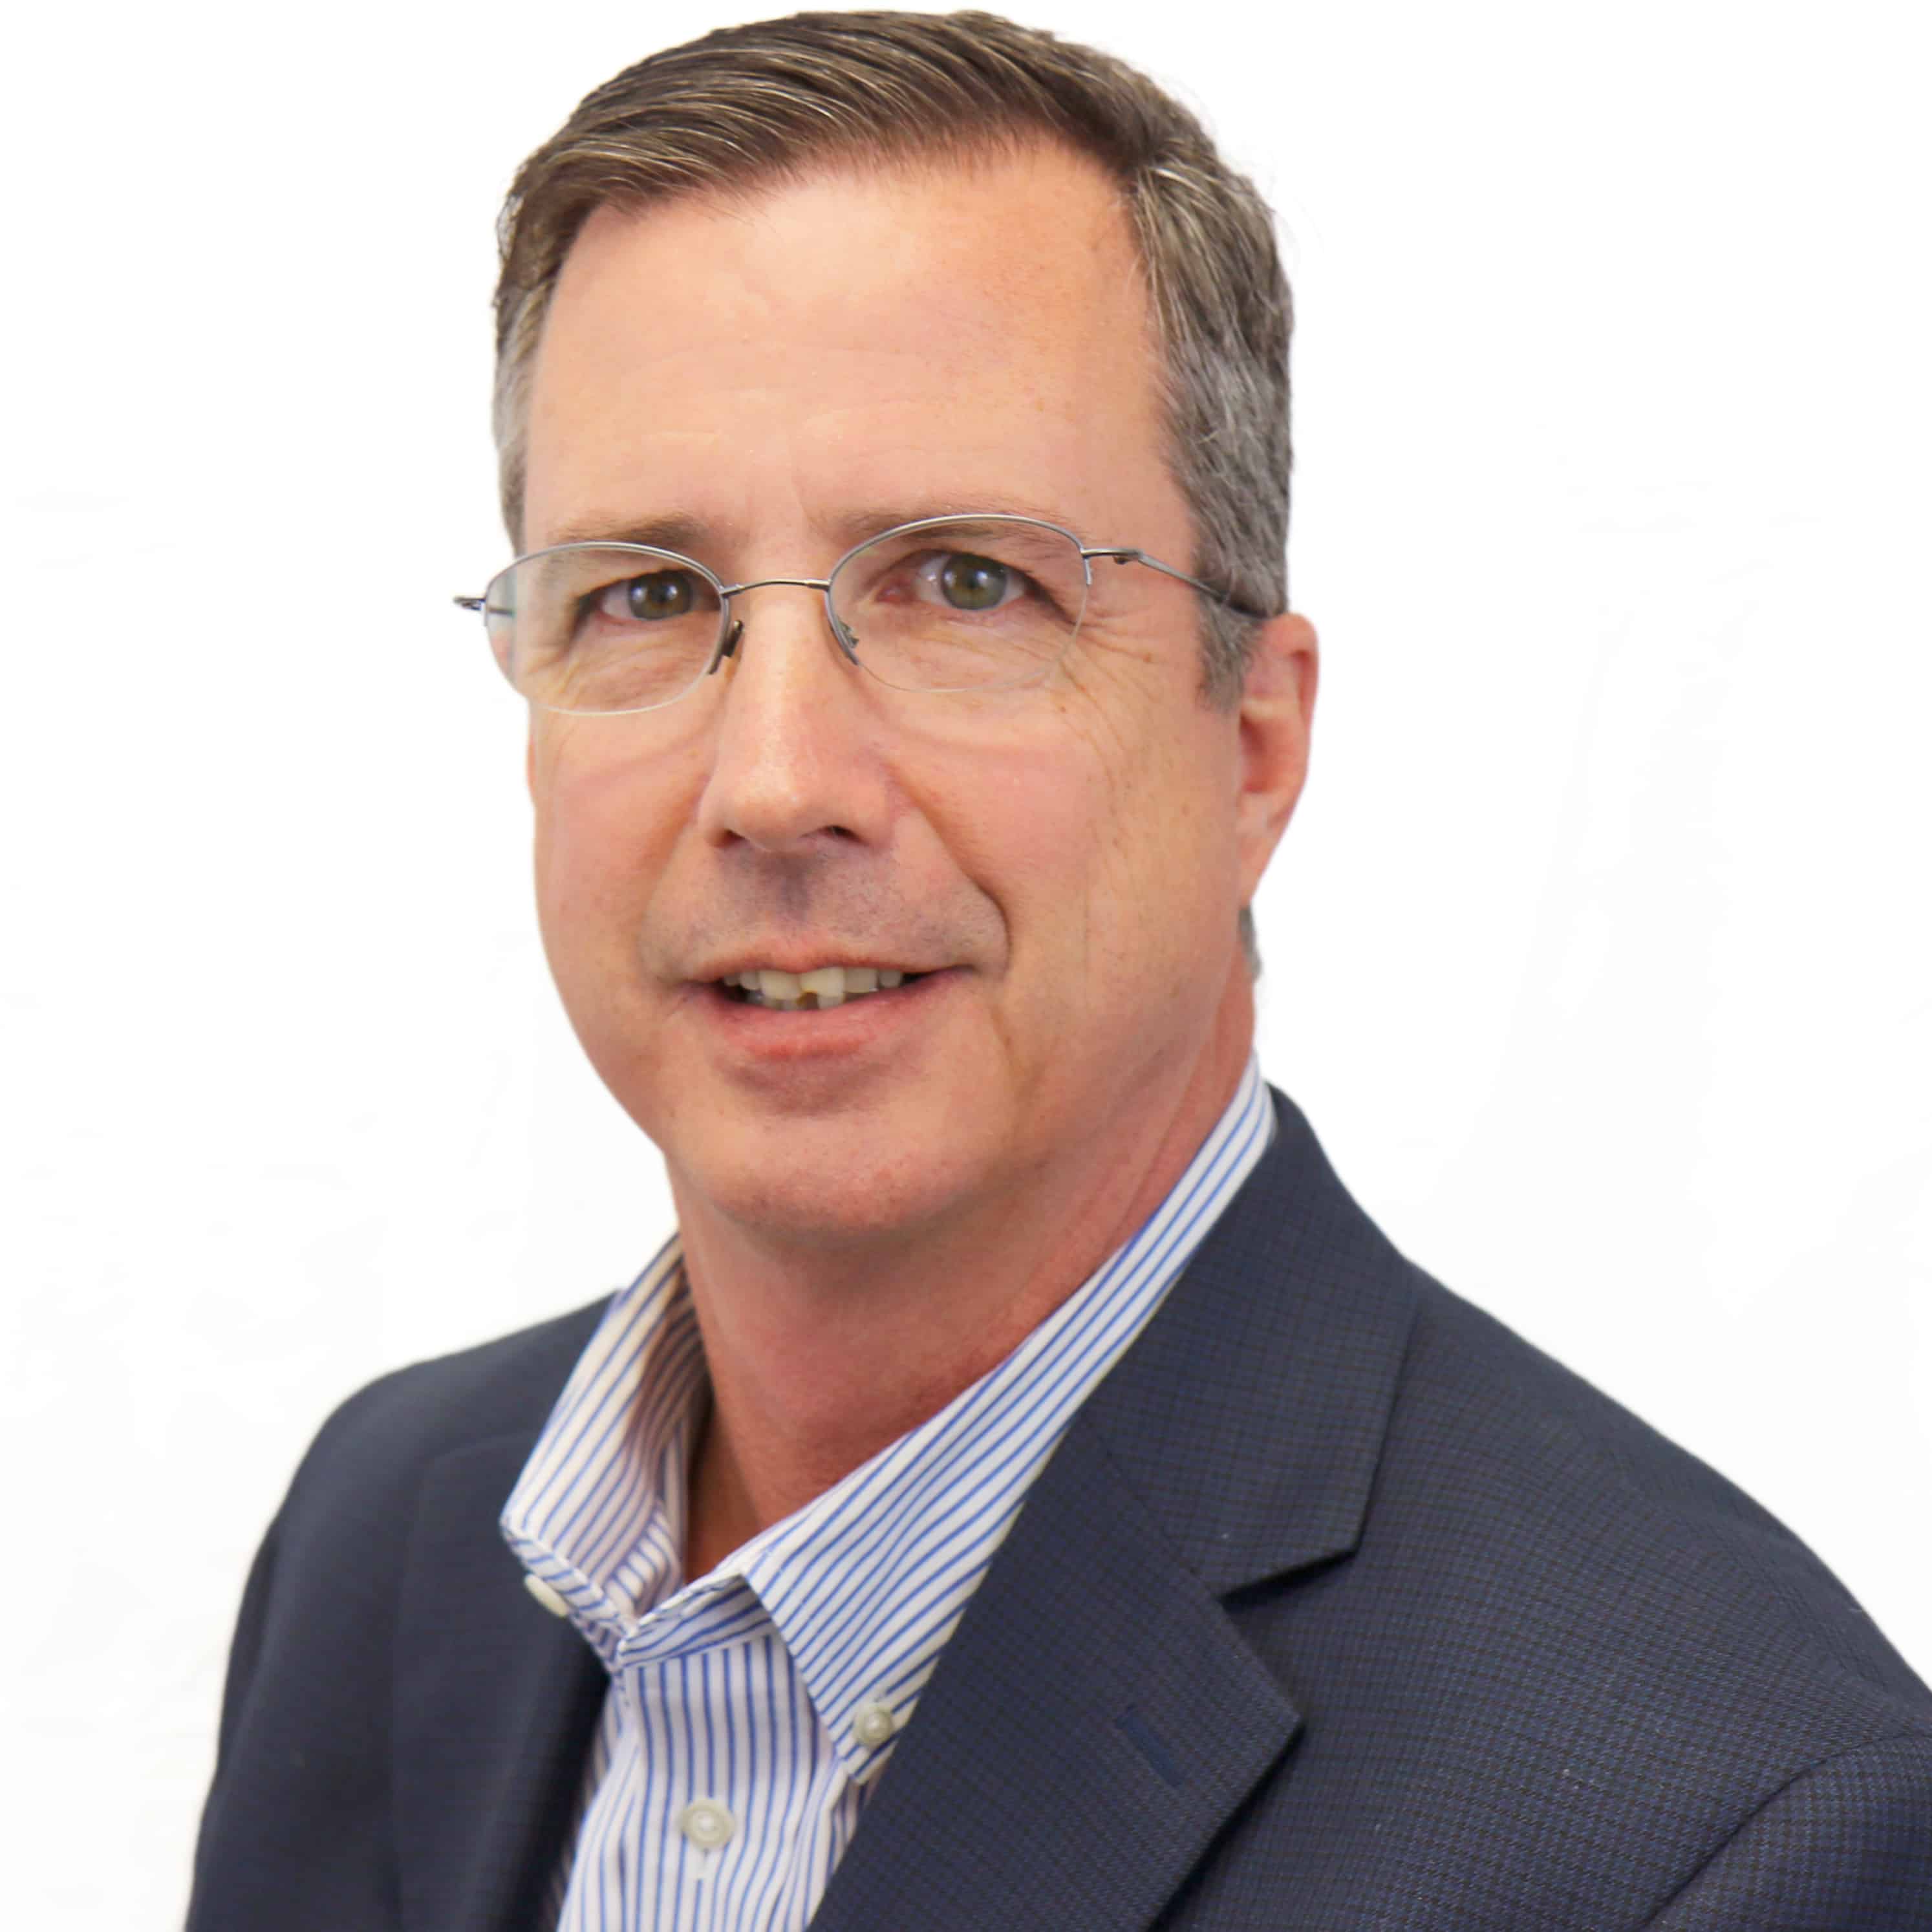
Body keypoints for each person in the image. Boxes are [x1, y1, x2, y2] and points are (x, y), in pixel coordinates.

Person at [185, 10, 1932, 1929]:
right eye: (649, 596)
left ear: (1250, 746)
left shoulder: (1725, 1830)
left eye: (963, 586)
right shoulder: (388, 1533)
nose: (775, 780)